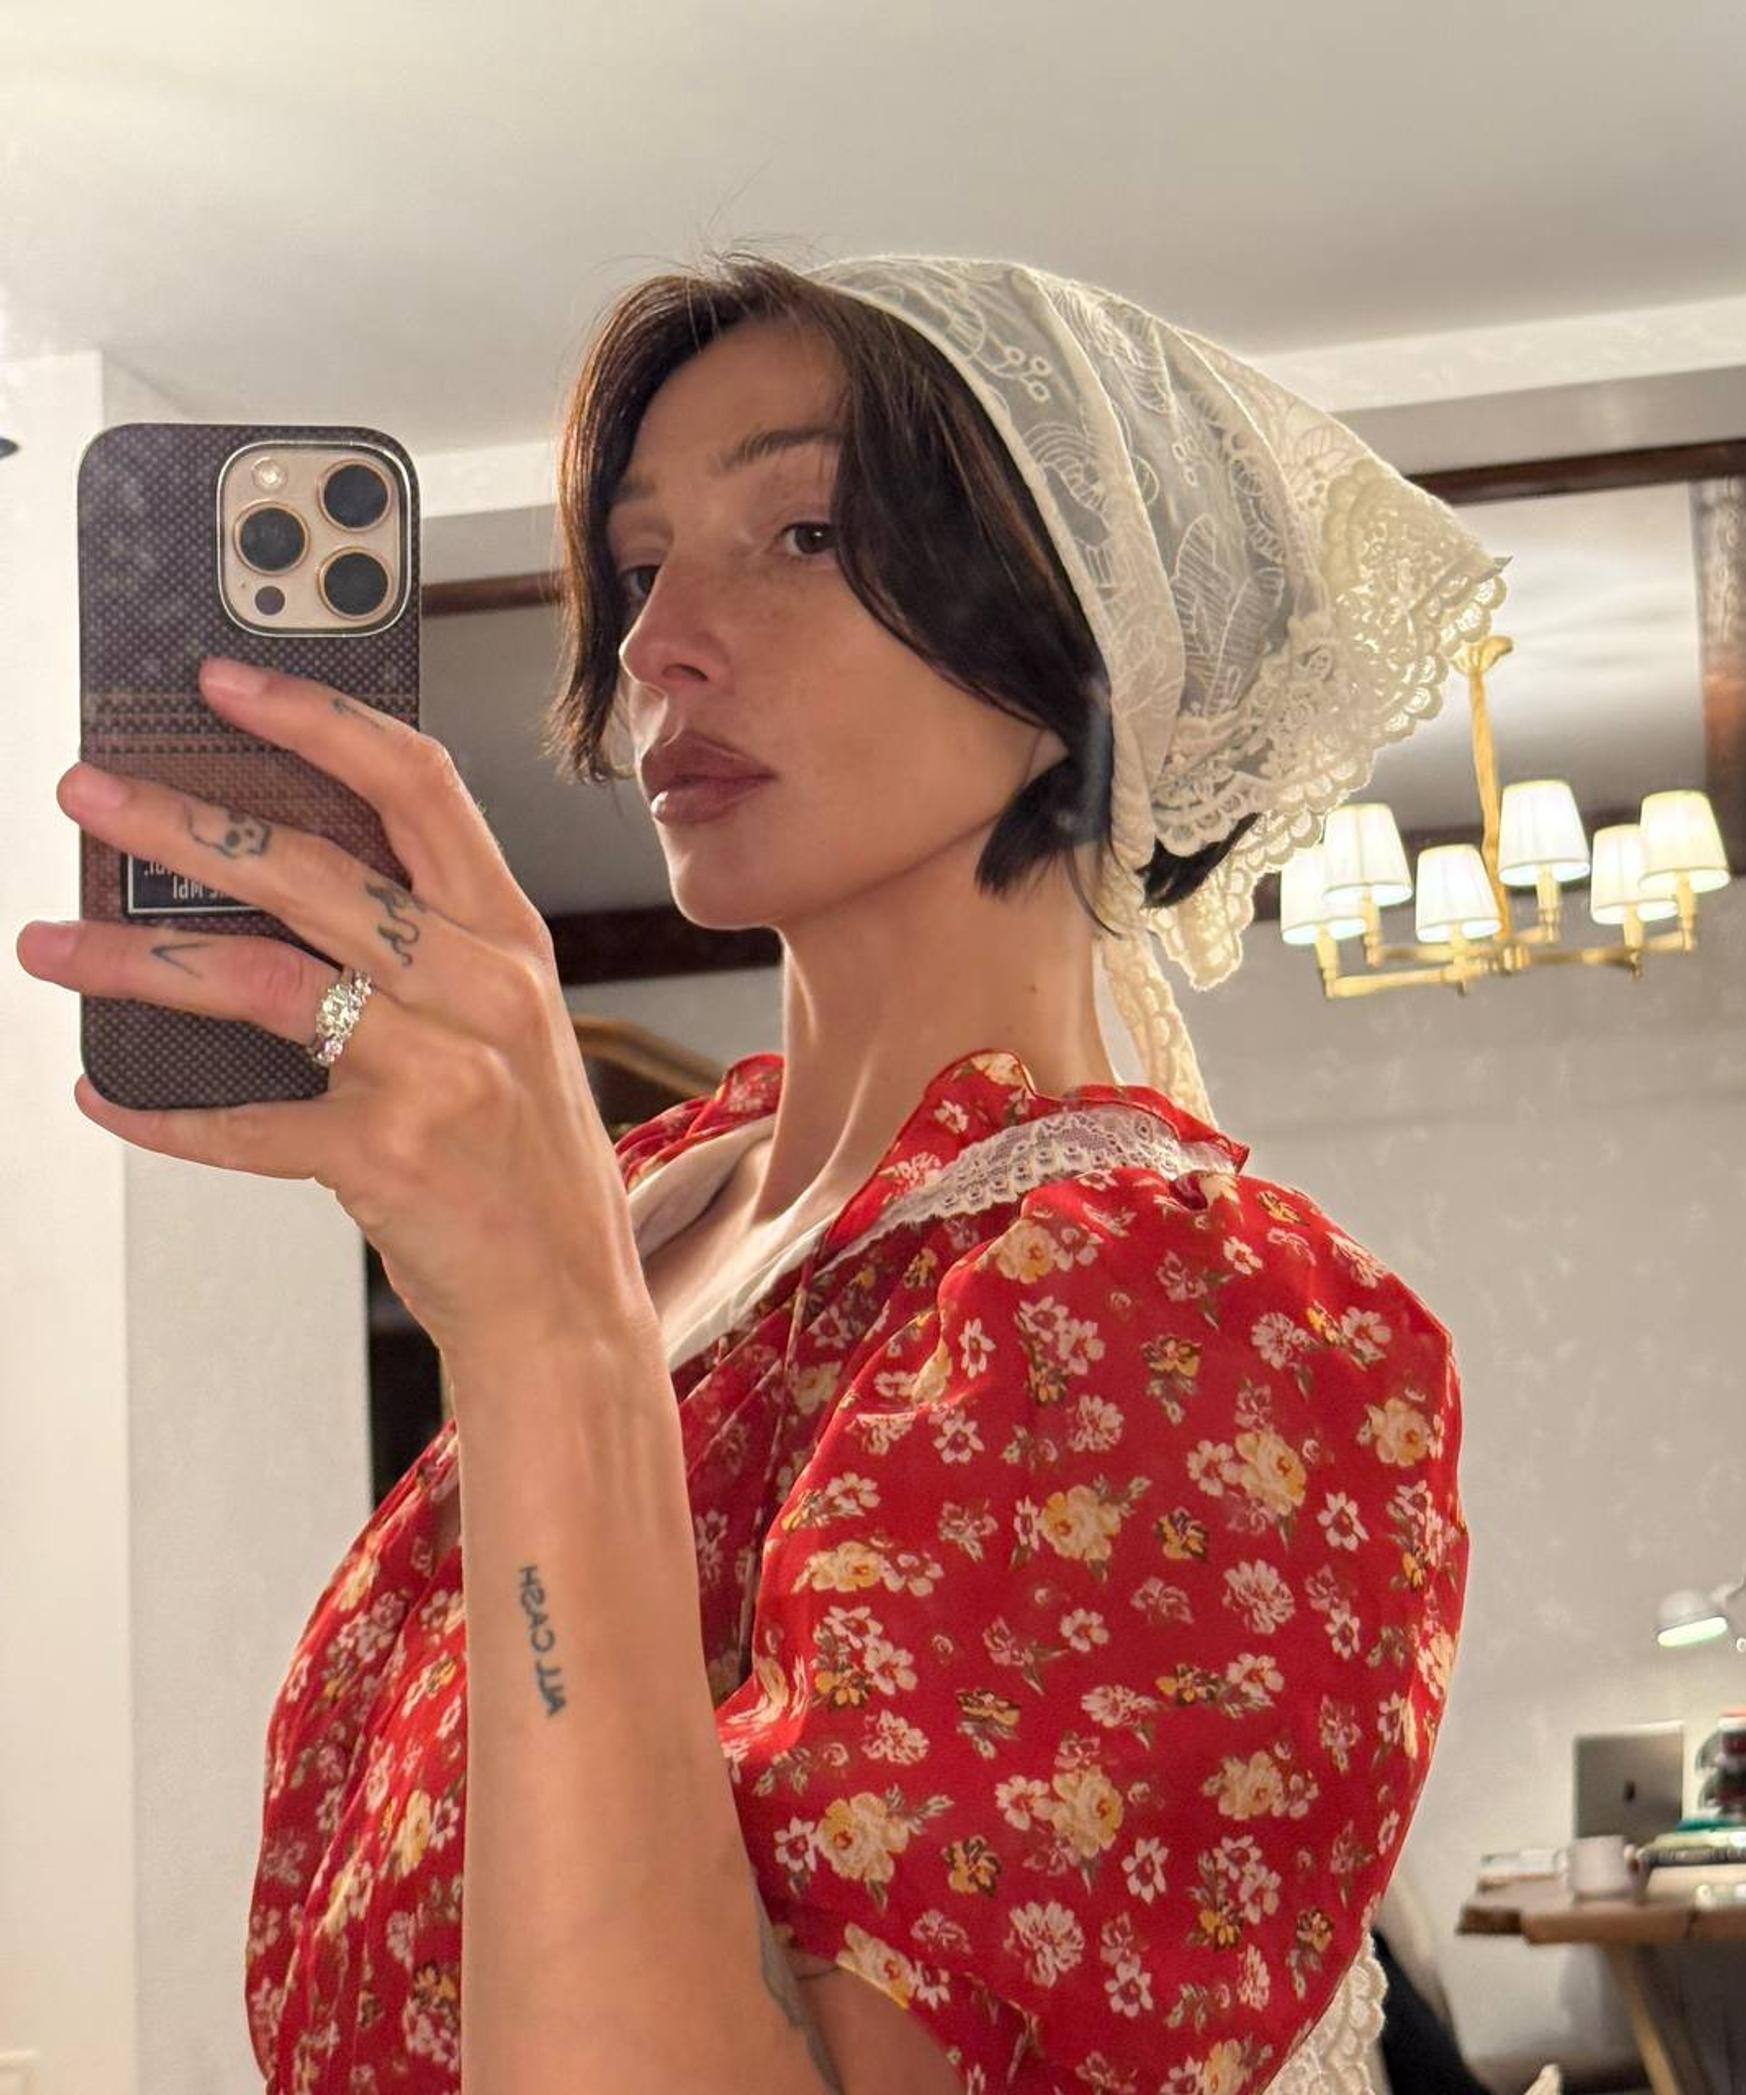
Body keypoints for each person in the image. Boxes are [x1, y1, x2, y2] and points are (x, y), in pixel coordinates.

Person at [243, 250, 1506, 2091]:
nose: (659, 643)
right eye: (644, 562)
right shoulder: (653, 1199)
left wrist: (544, 1346)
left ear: (1084, 638)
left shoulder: (1164, 1313)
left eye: (807, 534)